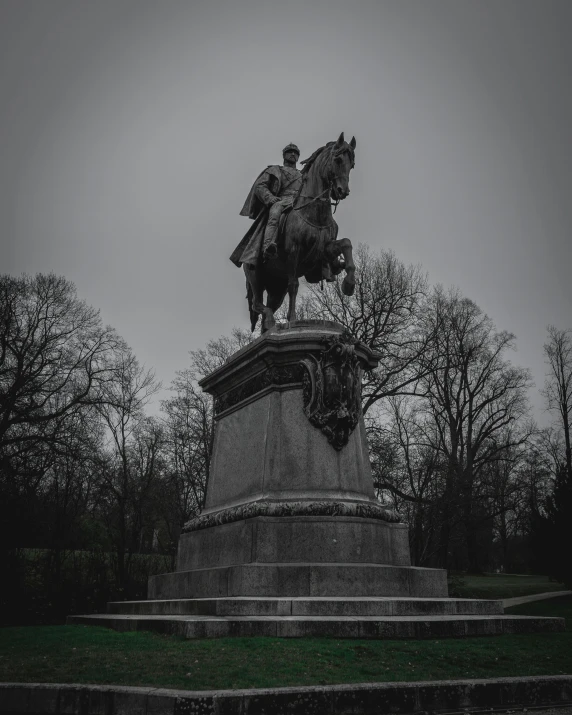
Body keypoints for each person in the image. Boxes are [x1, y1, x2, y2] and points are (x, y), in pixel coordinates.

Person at [230, 143, 303, 267]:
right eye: (290, 152)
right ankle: (268, 245)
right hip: (281, 200)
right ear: (284, 155)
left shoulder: (303, 174)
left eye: (295, 153)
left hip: (300, 203)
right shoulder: (275, 170)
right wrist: (270, 198)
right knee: (274, 214)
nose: (293, 154)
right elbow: (260, 186)